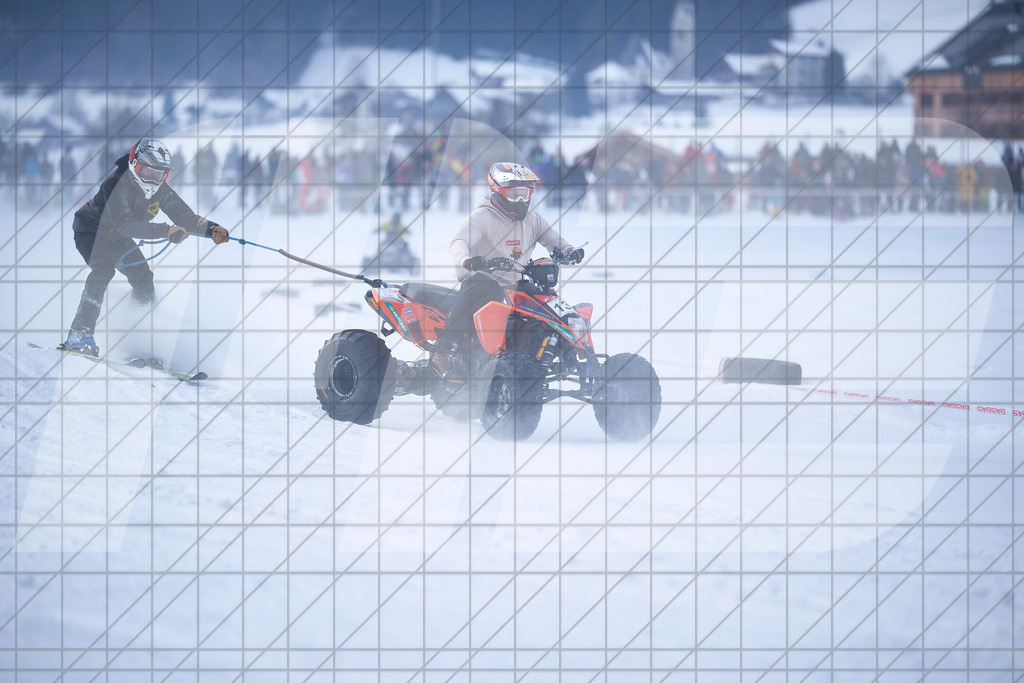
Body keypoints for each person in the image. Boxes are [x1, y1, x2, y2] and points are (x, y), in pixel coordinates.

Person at [62, 138, 229, 357]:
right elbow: (126, 225)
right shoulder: (116, 184)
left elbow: (184, 216)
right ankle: (79, 333)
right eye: (148, 172)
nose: (154, 179)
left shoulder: (160, 189)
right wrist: (166, 231)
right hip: (91, 231)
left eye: (160, 174)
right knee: (103, 270)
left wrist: (212, 229)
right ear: (134, 164)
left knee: (144, 281)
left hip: (118, 236)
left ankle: (137, 339)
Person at [432, 161, 584, 378]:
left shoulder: (533, 219)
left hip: (515, 284)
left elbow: (553, 240)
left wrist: (568, 251)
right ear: (498, 191)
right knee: (483, 284)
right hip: (482, 279)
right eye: (515, 194)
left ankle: (559, 350)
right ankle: (446, 350)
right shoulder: (481, 218)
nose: (521, 200)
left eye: (525, 193)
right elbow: (458, 242)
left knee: (545, 299)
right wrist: (467, 260)